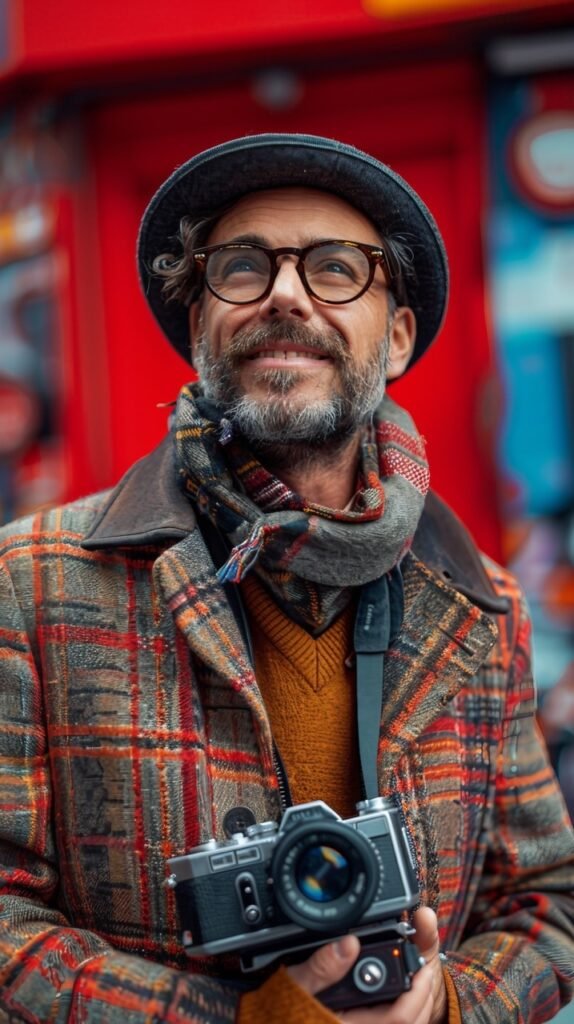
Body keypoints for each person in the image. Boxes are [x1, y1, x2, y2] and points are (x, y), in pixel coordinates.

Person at [0, 133, 572, 1024]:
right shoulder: (31, 587)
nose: (286, 294)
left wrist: (450, 1005)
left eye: (338, 268)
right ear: (199, 328)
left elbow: (550, 900)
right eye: (241, 266)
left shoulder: (482, 605)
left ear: (399, 339)